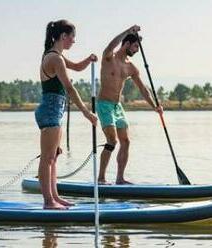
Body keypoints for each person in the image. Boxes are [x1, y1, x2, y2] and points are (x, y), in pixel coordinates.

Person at [35, 19, 98, 209]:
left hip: (55, 111)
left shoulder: (57, 56)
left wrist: (89, 59)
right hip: (50, 110)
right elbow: (70, 89)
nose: (74, 41)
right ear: (64, 36)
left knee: (53, 157)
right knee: (47, 158)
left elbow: (77, 67)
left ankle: (55, 197)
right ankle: (48, 202)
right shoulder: (54, 58)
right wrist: (87, 113)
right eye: (72, 37)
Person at [96, 25, 163, 185]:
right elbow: (110, 45)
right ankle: (101, 179)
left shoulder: (131, 67)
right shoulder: (109, 57)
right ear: (126, 44)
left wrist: (155, 106)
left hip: (117, 107)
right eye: (135, 46)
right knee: (112, 141)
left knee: (126, 141)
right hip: (104, 104)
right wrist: (127, 31)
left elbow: (143, 88)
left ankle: (120, 179)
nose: (137, 50)